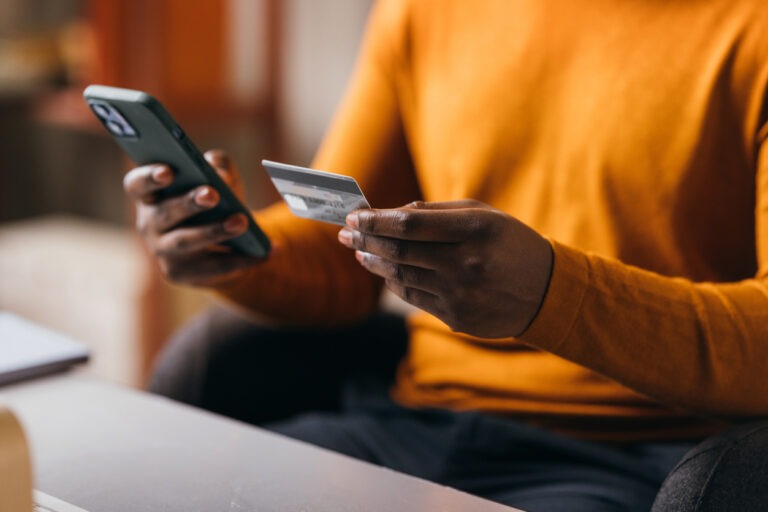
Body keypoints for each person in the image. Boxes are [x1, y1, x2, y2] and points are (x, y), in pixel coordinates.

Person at [123, 0, 768, 510]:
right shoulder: (423, 10)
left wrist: (550, 294)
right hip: (411, 423)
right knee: (165, 492)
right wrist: (234, 246)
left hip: (629, 457)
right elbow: (335, 255)